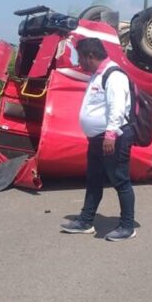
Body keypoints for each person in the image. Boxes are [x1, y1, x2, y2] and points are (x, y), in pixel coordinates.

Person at [60, 37, 137, 241]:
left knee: (120, 181)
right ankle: (85, 221)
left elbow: (117, 107)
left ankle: (127, 226)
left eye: (81, 58)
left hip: (113, 137)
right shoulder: (98, 74)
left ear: (90, 56)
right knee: (93, 179)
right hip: (98, 138)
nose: (79, 63)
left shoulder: (114, 75)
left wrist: (110, 135)